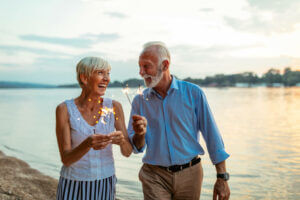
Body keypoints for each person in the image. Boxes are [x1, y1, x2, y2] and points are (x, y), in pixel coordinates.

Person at [128, 42, 231, 200]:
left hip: (191, 175)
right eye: (139, 67)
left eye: (146, 66)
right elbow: (136, 147)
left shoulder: (194, 93)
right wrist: (139, 133)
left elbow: (212, 135)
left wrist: (222, 177)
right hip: (153, 175)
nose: (141, 72)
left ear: (165, 64)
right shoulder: (139, 101)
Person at [55, 57, 133, 200]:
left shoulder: (115, 107)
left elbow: (127, 152)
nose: (106, 79)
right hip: (73, 183)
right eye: (100, 73)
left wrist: (122, 141)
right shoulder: (64, 109)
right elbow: (66, 159)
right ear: (84, 78)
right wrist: (87, 144)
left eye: (108, 73)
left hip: (105, 182)